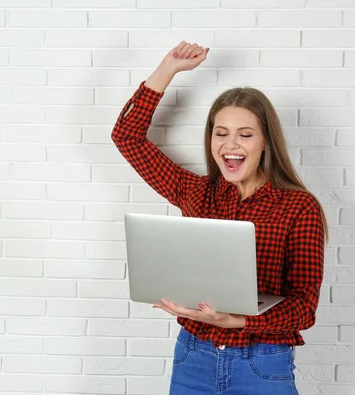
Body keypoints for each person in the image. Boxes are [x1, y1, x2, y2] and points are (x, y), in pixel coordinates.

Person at [111, 41, 327, 395]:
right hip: (194, 356)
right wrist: (167, 70)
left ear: (265, 143)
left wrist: (238, 320)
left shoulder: (298, 207)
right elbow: (127, 136)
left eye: (245, 135)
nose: (231, 145)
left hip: (261, 361)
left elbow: (304, 308)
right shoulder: (196, 192)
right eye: (220, 133)